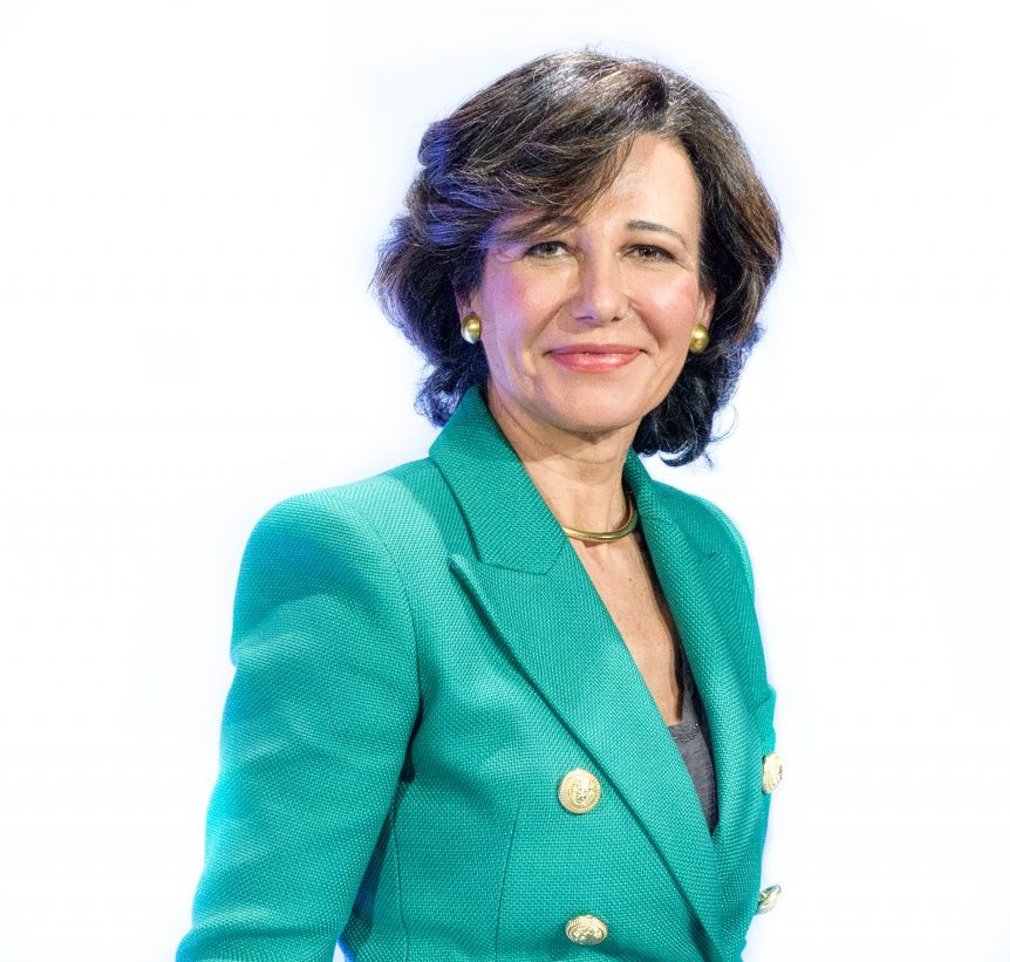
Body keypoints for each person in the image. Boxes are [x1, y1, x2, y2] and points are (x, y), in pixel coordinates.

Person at [177, 50, 783, 962]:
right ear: (468, 289)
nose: (601, 300)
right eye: (548, 246)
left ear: (703, 300)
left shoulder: (707, 550)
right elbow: (255, 944)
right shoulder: (364, 555)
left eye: (648, 252)